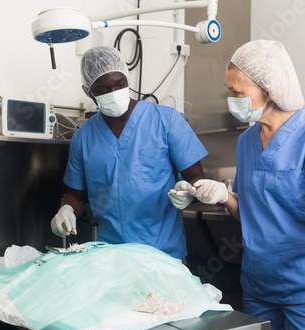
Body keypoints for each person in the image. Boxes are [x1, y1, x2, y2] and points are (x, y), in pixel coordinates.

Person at [169, 40, 305, 330]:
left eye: (237, 92)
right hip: (258, 284)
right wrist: (223, 196)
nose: (231, 99)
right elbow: (252, 213)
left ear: (268, 91)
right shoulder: (246, 141)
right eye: (228, 90)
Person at [51, 46, 207, 260]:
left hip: (162, 252)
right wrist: (66, 210)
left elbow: (197, 177)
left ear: (127, 80)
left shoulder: (166, 120)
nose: (113, 92)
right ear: (89, 91)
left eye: (119, 84)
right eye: (103, 89)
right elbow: (76, 194)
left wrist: (190, 192)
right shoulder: (83, 138)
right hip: (111, 254)